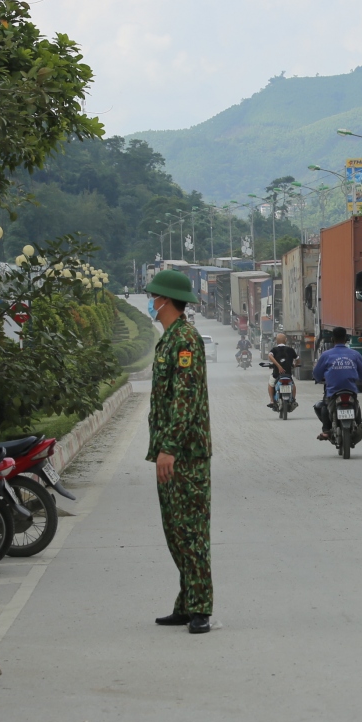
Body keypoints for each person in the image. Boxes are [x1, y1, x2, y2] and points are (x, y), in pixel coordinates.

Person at [144, 270, 214, 635]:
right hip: (170, 450)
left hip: (185, 453)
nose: (151, 303)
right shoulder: (171, 338)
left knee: (191, 532)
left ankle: (201, 607)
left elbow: (185, 400)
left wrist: (169, 448)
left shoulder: (185, 339)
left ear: (165, 300)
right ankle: (186, 603)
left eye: (153, 297)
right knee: (175, 531)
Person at [312, 327, 362, 441]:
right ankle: (360, 425)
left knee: (324, 406)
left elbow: (317, 373)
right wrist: (360, 378)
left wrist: (318, 379)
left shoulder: (326, 355)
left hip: (333, 391)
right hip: (350, 389)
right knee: (355, 403)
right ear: (346, 339)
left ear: (332, 339)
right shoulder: (355, 354)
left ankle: (326, 431)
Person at [267, 333, 299, 408]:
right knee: (293, 385)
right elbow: (298, 360)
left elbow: (269, 355)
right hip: (288, 374)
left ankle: (272, 400)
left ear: (276, 341)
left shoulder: (274, 350)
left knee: (271, 384)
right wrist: (294, 366)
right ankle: (293, 399)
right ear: (286, 340)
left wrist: (278, 366)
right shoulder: (290, 350)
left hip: (276, 375)